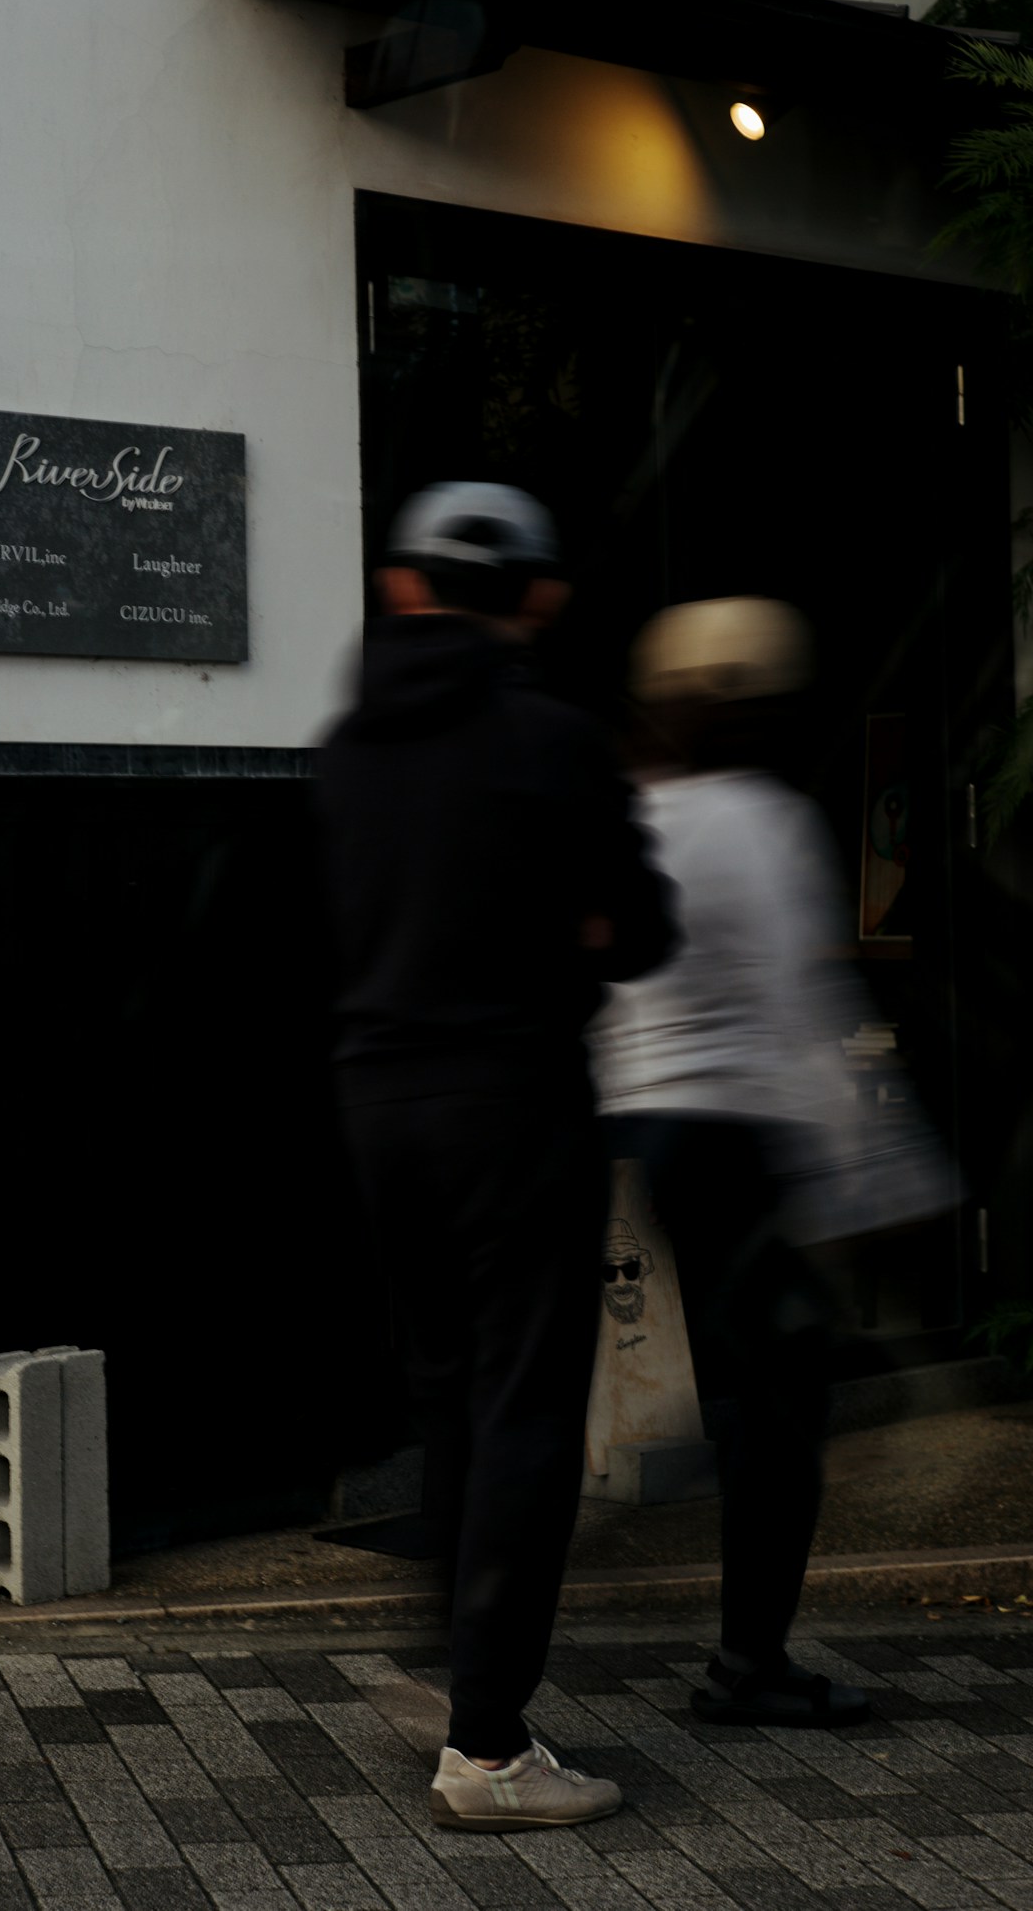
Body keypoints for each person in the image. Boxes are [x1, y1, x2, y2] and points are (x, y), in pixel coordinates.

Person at [318, 481, 675, 1830]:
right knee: (528, 1403)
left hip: (375, 1102)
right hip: (516, 1099)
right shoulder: (556, 740)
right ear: (535, 595)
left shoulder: (348, 746)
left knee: (450, 1393)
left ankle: (462, 1669)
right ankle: (486, 1743)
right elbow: (639, 929)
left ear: (404, 587)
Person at [592, 596, 954, 1729]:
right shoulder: (762, 819)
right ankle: (749, 1662)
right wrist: (884, 1180)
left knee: (740, 1382)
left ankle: (721, 1639)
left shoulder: (631, 810)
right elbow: (805, 1014)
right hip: (739, 1133)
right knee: (780, 1399)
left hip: (646, 1123)